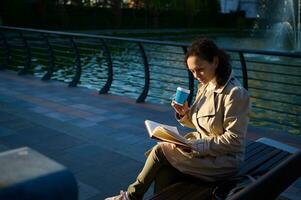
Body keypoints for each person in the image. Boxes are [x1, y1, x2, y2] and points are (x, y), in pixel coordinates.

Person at [105, 37, 250, 200]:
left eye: (199, 69)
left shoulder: (235, 93)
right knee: (165, 168)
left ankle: (131, 196)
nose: (196, 76)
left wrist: (193, 145)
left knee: (161, 150)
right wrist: (184, 114)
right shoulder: (206, 84)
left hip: (223, 162)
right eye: (192, 71)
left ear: (215, 62)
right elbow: (203, 124)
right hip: (203, 153)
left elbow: (235, 141)